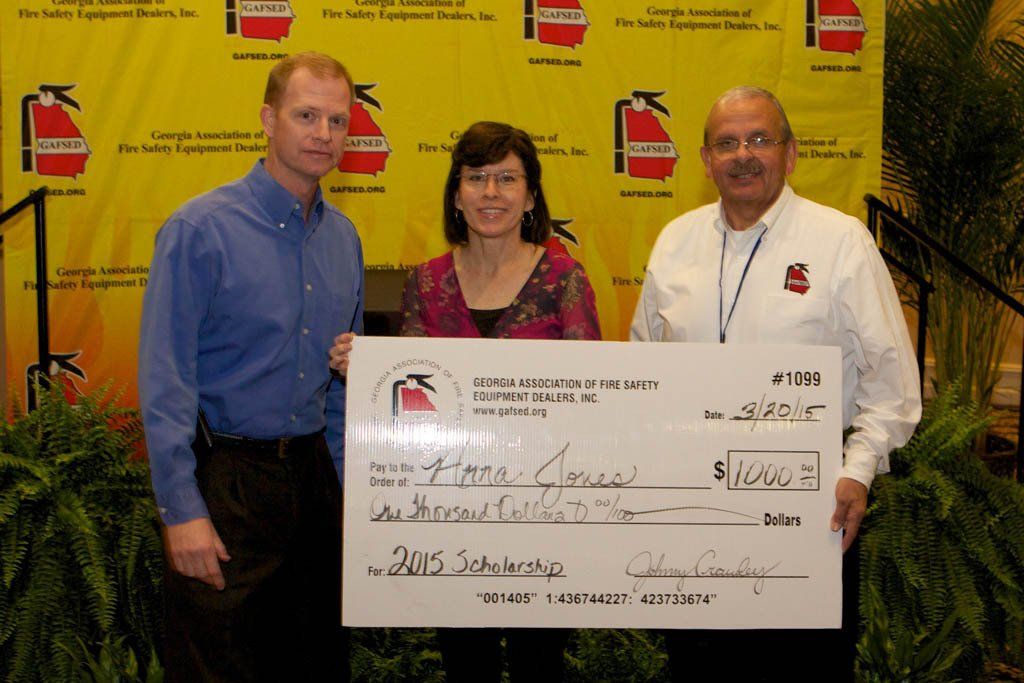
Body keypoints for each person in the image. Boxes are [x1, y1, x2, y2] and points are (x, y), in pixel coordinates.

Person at [631, 86, 921, 681]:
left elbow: (892, 383)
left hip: (809, 509)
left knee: (801, 669)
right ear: (706, 158)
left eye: (760, 139)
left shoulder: (841, 243)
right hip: (693, 510)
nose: (744, 154)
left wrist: (856, 470)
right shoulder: (674, 242)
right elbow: (645, 369)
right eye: (727, 142)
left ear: (790, 154)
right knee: (698, 666)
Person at [331, 121, 600, 681]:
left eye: (507, 178)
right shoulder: (424, 283)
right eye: (476, 178)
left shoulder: (564, 280)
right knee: (465, 666)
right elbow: (406, 405)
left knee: (540, 667)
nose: (491, 193)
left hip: (543, 518)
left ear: (530, 195)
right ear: (456, 193)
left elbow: (589, 401)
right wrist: (366, 373)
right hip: (449, 515)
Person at [139, 52, 363, 682]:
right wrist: (181, 510)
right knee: (219, 663)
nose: (323, 133)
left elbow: (344, 388)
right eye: (306, 115)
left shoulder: (343, 239)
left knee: (316, 661)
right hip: (226, 481)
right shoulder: (199, 229)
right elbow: (165, 381)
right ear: (268, 119)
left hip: (314, 480)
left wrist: (347, 495)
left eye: (338, 120)